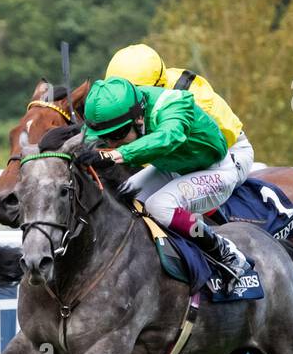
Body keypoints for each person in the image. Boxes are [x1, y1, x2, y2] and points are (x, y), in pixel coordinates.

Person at [83, 76, 250, 280]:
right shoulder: (127, 110)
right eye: (105, 136)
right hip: (172, 167)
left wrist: (113, 155)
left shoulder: (174, 103)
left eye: (117, 134)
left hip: (215, 171)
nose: (111, 142)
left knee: (159, 206)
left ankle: (223, 250)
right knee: (121, 199)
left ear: (139, 118)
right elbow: (84, 136)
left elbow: (168, 137)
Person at [105, 43, 255, 187]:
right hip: (176, 161)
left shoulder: (190, 99)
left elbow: (164, 143)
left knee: (168, 201)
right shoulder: (153, 88)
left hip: (227, 156)